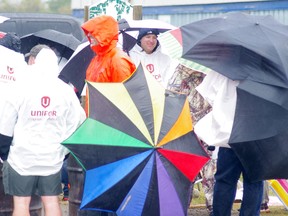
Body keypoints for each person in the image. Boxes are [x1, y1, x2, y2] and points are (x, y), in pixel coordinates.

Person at [0, 46, 86, 216]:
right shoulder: (65, 90)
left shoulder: (20, 87)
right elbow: (78, 120)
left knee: (21, 202)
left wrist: (4, 151)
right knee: (51, 200)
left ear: (35, 62)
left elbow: (6, 120)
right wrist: (64, 148)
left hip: (21, 157)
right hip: (51, 157)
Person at [194, 70, 263, 216]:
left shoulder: (226, 63)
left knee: (226, 180)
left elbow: (209, 91)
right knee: (253, 180)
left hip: (229, 132)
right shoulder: (263, 67)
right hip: (255, 131)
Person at [167, 63, 216, 215]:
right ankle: (181, 207)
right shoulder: (182, 70)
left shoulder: (214, 71)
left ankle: (213, 206)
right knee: (187, 169)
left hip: (209, 124)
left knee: (211, 169)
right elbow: (170, 94)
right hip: (188, 126)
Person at [81, 15, 136, 115]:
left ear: (103, 34)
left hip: (112, 122)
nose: (89, 36)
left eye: (93, 33)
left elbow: (124, 97)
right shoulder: (97, 59)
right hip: (97, 119)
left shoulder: (118, 60)